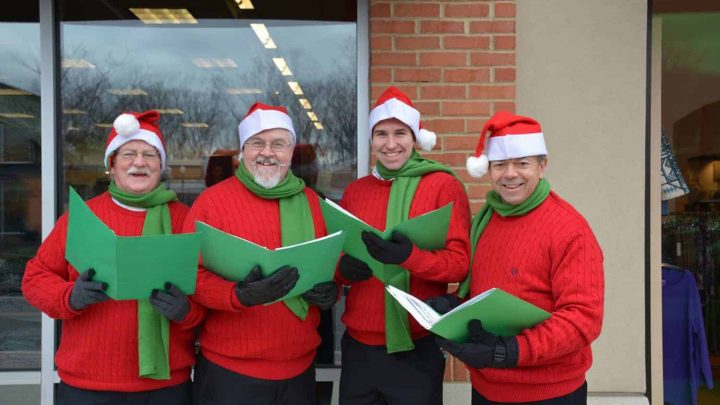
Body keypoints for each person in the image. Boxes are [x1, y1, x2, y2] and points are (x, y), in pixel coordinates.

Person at [22, 110, 202, 404]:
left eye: (150, 155)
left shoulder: (186, 220)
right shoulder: (82, 218)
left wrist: (186, 312)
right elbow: (34, 279)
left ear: (161, 166)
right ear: (112, 165)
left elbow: (207, 293)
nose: (139, 162)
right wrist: (71, 296)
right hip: (87, 385)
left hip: (166, 387)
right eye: (128, 153)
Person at [428, 111, 605, 404]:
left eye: (522, 164)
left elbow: (582, 320)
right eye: (500, 165)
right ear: (489, 170)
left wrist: (511, 351)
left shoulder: (570, 229)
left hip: (549, 393)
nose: (510, 174)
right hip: (487, 388)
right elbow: (486, 295)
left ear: (542, 166)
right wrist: (453, 307)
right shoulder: (486, 221)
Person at [185, 102, 339, 405]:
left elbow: (331, 263)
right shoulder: (211, 203)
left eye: (278, 144)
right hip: (230, 372)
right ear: (243, 151)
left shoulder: (312, 203)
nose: (267, 152)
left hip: (299, 369)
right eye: (257, 143)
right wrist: (237, 295)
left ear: (291, 152)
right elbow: (189, 275)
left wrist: (329, 289)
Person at [337, 86, 472, 405]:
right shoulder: (356, 191)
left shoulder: (443, 186)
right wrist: (341, 269)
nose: (391, 143)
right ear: (372, 140)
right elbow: (339, 255)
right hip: (359, 347)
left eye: (400, 133)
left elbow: (460, 263)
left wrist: (410, 257)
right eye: (381, 134)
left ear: (415, 138)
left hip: (416, 345)